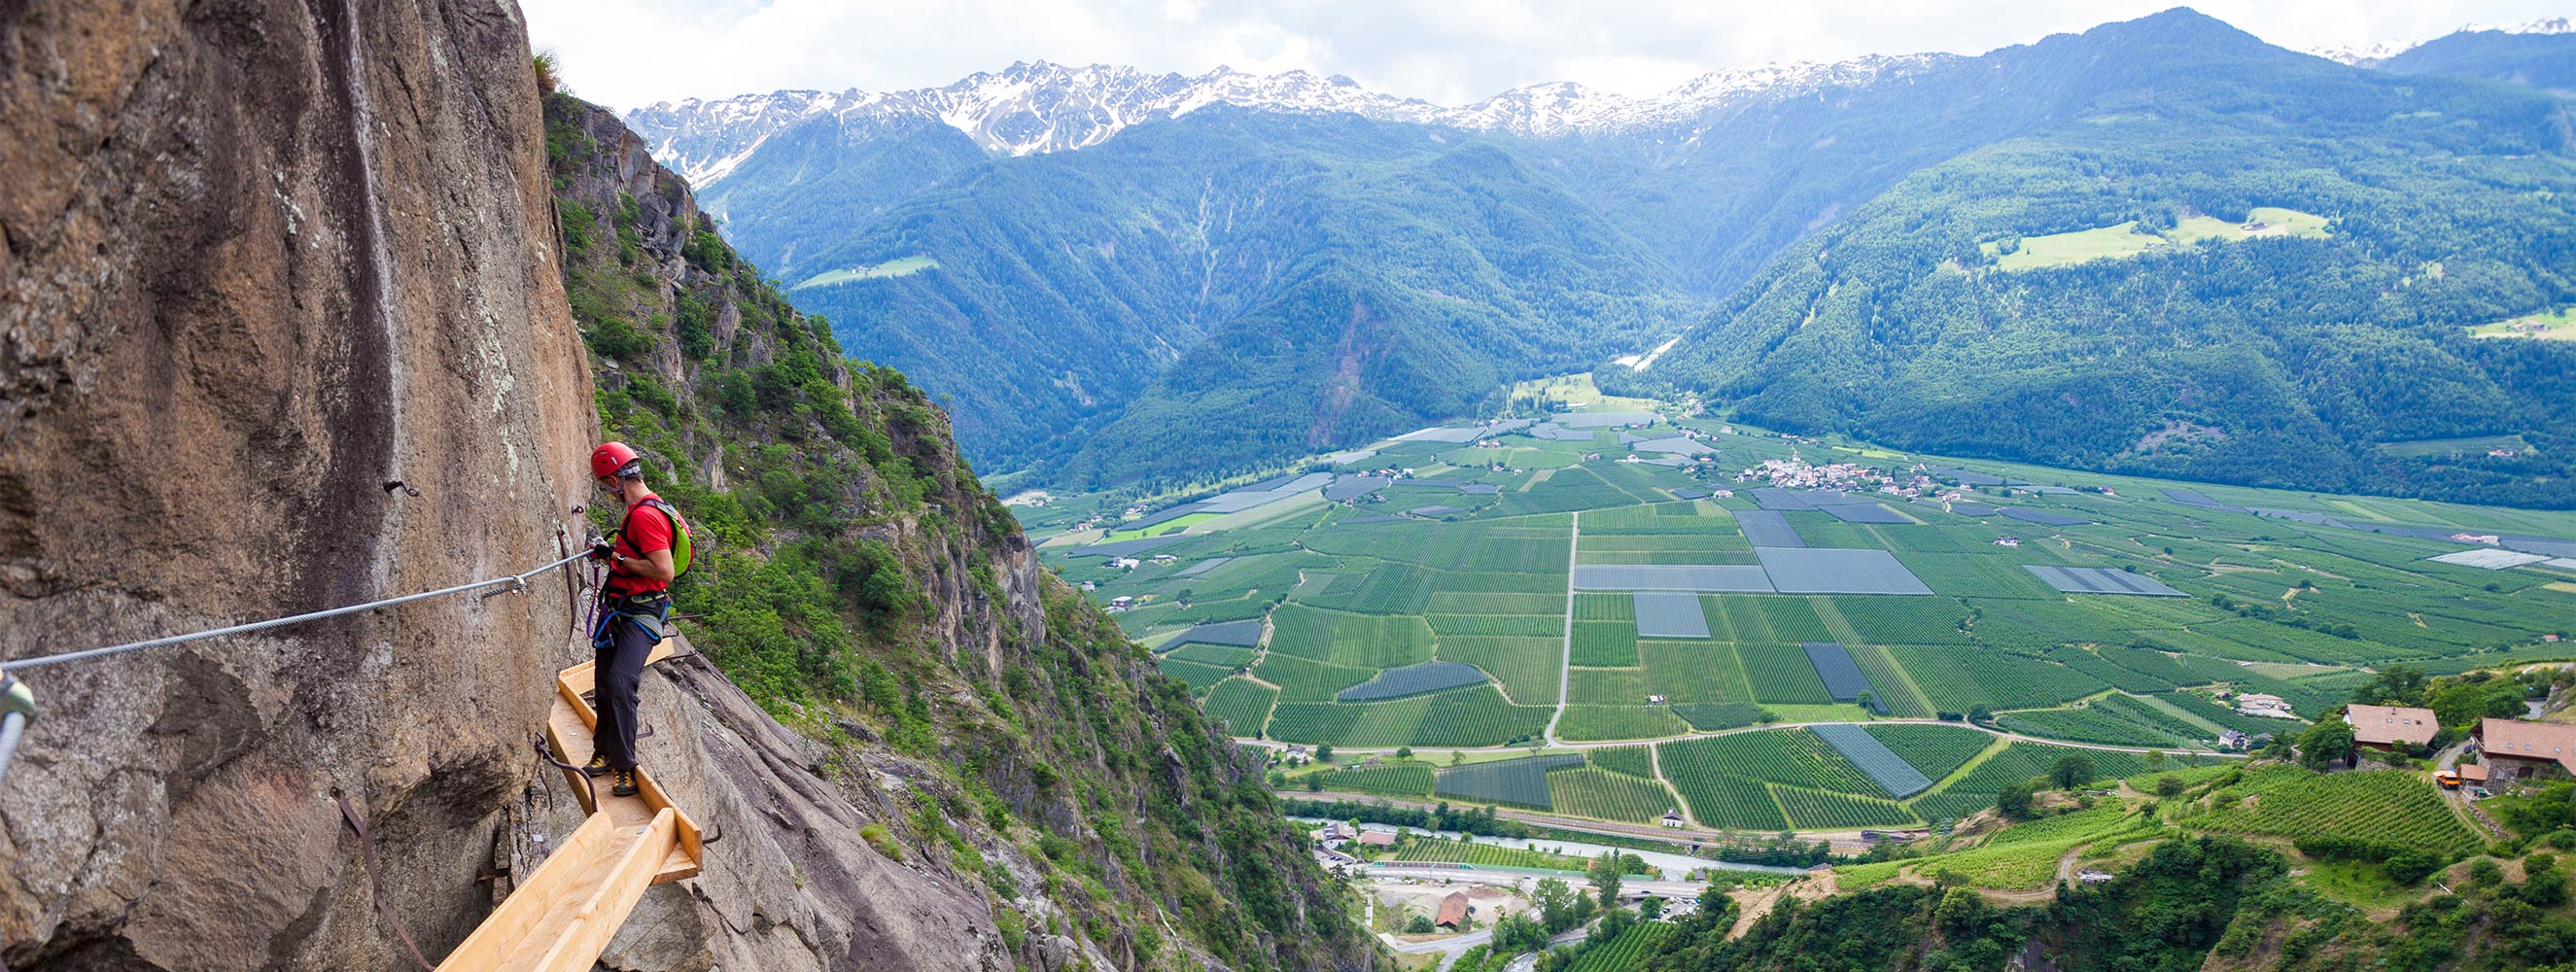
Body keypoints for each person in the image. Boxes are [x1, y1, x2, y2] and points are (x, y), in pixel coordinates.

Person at [584, 441, 679, 798]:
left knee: (622, 683)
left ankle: (625, 766)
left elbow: (664, 570)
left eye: (605, 483)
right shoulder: (643, 507)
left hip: (641, 610)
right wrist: (612, 554)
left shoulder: (645, 515)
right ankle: (604, 751)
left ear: (614, 478)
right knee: (605, 682)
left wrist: (618, 561)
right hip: (622, 606)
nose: (606, 491)